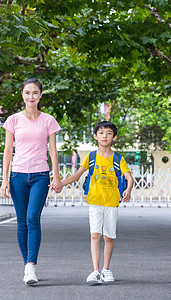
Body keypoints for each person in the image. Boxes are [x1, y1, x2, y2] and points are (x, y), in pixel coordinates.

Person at [0, 78, 63, 285]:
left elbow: (53, 150)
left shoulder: (48, 120)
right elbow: (8, 150)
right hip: (17, 175)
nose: (31, 97)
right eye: (27, 93)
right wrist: (4, 179)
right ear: (22, 95)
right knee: (21, 221)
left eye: (35, 93)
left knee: (32, 218)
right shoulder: (13, 120)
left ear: (40, 95)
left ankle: (31, 266)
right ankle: (27, 264)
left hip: (40, 175)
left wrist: (56, 175)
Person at [61, 121, 134, 285]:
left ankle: (106, 269)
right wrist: (61, 184)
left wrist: (128, 190)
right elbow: (76, 176)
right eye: (101, 133)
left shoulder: (118, 158)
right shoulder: (91, 157)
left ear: (114, 137)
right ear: (95, 136)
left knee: (108, 237)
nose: (104, 136)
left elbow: (129, 177)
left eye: (109, 133)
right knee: (95, 235)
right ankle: (95, 271)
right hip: (94, 202)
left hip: (111, 203)